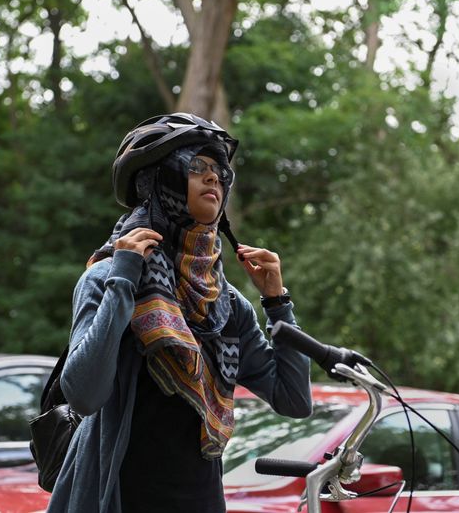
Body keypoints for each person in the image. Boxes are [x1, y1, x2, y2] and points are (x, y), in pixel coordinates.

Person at [46, 113, 312, 513]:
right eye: (196, 168)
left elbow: (294, 399)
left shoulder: (225, 302)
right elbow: (83, 395)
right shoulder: (107, 277)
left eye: (219, 172)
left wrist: (276, 301)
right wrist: (123, 279)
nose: (214, 179)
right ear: (159, 181)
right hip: (115, 497)